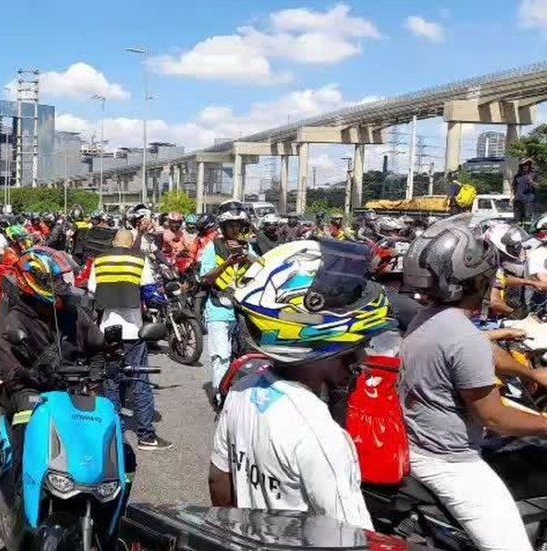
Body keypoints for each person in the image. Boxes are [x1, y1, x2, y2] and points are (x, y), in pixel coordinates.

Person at [209, 239, 390, 530]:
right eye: (356, 347)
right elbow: (354, 538)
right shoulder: (321, 437)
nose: (362, 358)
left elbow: (219, 481)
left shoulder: (244, 389)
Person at [401, 214, 547, 551]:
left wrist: (530, 374)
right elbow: (494, 418)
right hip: (449, 462)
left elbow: (483, 348)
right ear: (479, 278)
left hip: (419, 444)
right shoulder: (463, 335)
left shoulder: (433, 318)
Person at [0, 247, 105, 523]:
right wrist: (35, 375)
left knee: (108, 428)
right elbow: (11, 368)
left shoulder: (73, 312)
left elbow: (98, 344)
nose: (59, 286)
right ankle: (18, 495)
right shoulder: (14, 318)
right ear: (33, 280)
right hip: (30, 388)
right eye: (52, 280)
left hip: (69, 385)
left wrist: (100, 368)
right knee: (26, 418)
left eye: (60, 279)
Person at [87, 230, 171, 451]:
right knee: (140, 382)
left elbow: (92, 290)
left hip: (108, 330)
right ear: (131, 242)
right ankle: (146, 436)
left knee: (111, 382)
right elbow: (150, 292)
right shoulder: (139, 259)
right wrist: (160, 300)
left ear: (114, 242)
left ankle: (115, 434)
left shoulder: (100, 260)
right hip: (134, 331)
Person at [199, 203, 251, 409]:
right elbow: (205, 279)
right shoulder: (214, 247)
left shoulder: (248, 246)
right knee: (221, 356)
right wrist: (227, 263)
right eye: (232, 225)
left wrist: (247, 255)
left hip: (244, 310)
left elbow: (262, 266)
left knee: (245, 357)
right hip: (218, 308)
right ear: (223, 226)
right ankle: (221, 398)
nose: (236, 229)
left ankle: (240, 398)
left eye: (239, 225)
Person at [513, 158, 537, 224]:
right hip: (518, 200)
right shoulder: (517, 176)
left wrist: (532, 182)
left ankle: (527, 232)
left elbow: (539, 186)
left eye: (527, 164)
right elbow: (514, 187)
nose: (525, 166)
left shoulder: (534, 174)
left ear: (530, 165)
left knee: (527, 220)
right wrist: (512, 197)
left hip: (528, 201)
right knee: (517, 221)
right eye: (523, 165)